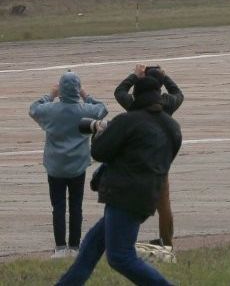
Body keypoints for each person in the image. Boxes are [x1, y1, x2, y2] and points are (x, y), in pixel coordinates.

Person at [56, 74, 182, 286]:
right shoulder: (172, 126)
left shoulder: (128, 121)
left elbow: (99, 152)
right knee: (91, 246)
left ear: (137, 96)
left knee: (120, 257)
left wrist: (99, 131)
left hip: (123, 195)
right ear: (158, 96)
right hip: (148, 196)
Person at [29, 71, 108, 258]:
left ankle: (60, 247)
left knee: (58, 206)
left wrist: (50, 94)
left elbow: (33, 109)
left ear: (61, 89)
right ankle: (74, 245)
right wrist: (85, 95)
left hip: (55, 165)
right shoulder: (85, 111)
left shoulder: (50, 110)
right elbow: (102, 108)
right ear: (77, 89)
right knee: (76, 206)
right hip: (77, 166)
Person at [114, 64, 184, 249]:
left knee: (130, 204)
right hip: (160, 162)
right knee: (164, 205)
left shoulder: (135, 104)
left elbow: (120, 92)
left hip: (137, 161)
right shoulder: (167, 104)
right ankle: (167, 242)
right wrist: (165, 76)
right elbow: (178, 93)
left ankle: (125, 240)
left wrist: (134, 76)